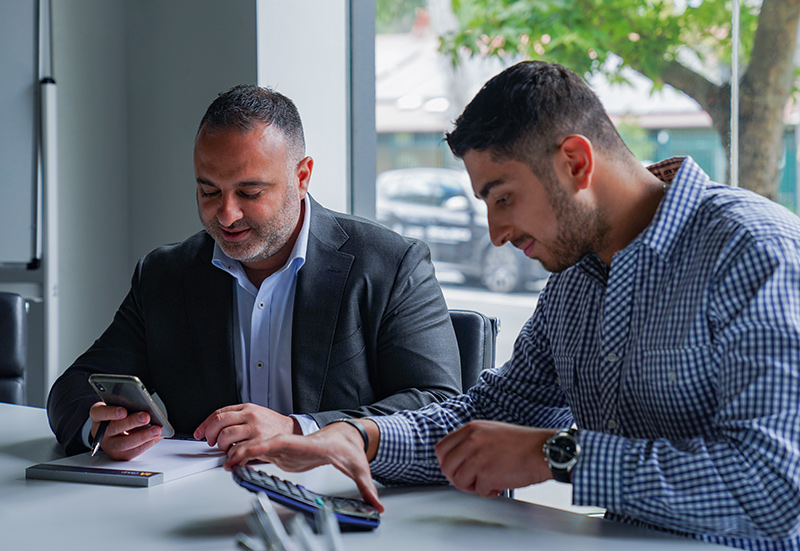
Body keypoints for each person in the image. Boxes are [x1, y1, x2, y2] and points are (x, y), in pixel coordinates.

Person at [224, 61, 800, 551]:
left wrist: (559, 455)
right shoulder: (575, 279)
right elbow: (491, 418)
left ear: (575, 162)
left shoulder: (756, 253)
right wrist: (361, 437)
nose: (496, 233)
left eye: (503, 197)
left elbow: (777, 486)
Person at [47, 85, 462, 460]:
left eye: (249, 192)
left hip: (341, 507)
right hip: (197, 511)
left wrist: (301, 430)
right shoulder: (165, 274)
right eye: (208, 191)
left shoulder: (390, 264)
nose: (226, 214)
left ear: (301, 177)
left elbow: (440, 405)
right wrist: (100, 427)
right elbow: (73, 386)